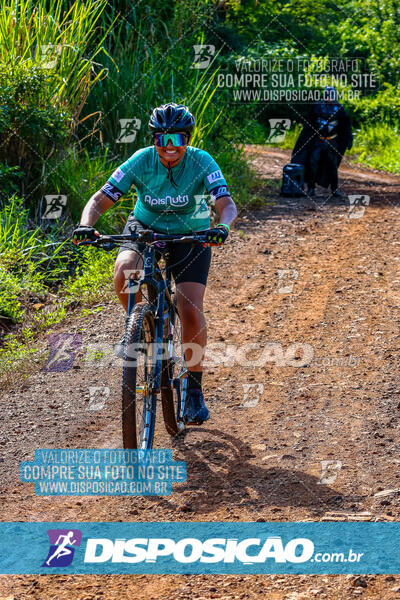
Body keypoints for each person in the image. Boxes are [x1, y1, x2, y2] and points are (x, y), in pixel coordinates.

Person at [72, 103, 237, 425]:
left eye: (178, 139)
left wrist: (223, 227)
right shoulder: (141, 159)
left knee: (189, 307)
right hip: (144, 227)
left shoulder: (202, 161)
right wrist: (85, 224)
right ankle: (139, 326)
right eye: (163, 139)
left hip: (194, 234)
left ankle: (193, 389)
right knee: (124, 272)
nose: (170, 147)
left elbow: (225, 203)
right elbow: (101, 198)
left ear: (187, 139)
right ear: (154, 139)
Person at [292, 86, 353, 197]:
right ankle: (311, 188)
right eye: (327, 95)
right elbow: (309, 123)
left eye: (331, 95)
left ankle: (334, 189)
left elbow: (346, 125)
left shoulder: (339, 108)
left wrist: (348, 139)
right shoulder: (316, 106)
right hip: (318, 141)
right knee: (312, 163)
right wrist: (305, 139)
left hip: (332, 141)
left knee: (332, 165)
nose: (329, 97)